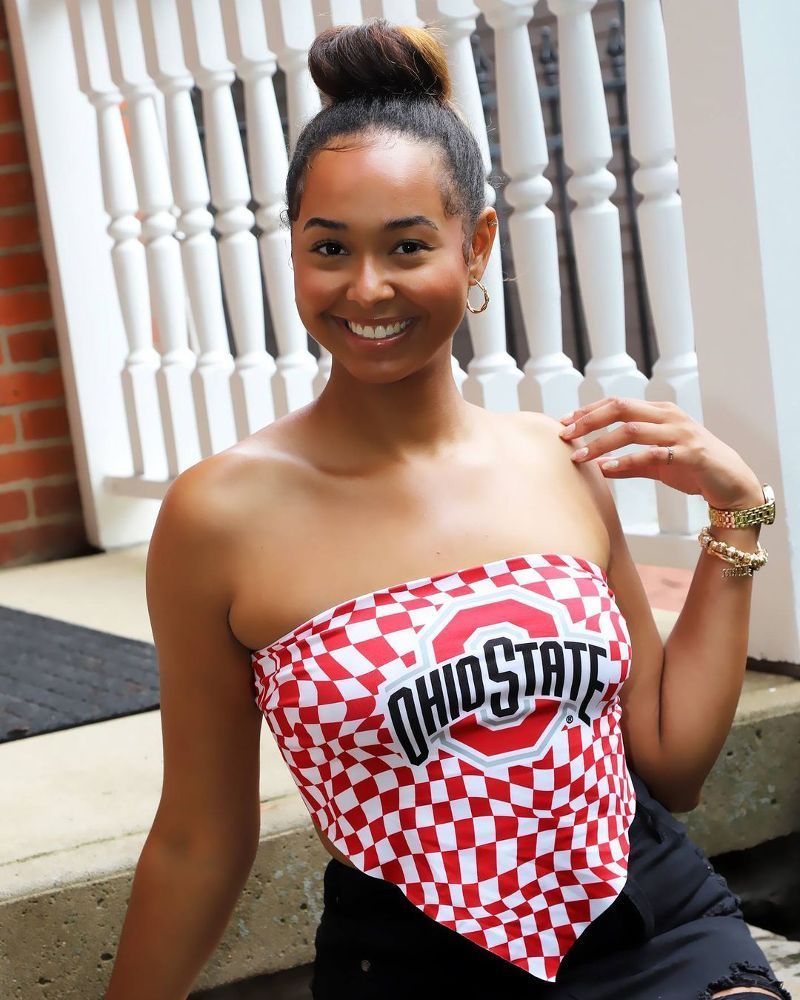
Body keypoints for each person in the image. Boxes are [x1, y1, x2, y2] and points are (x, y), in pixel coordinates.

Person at [103, 18, 789, 1000]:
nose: (365, 287)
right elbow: (199, 837)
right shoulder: (220, 517)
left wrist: (737, 517)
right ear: (292, 251)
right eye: (329, 246)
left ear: (474, 250)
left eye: (407, 245)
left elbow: (670, 764)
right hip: (412, 966)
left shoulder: (556, 462)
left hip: (654, 934)